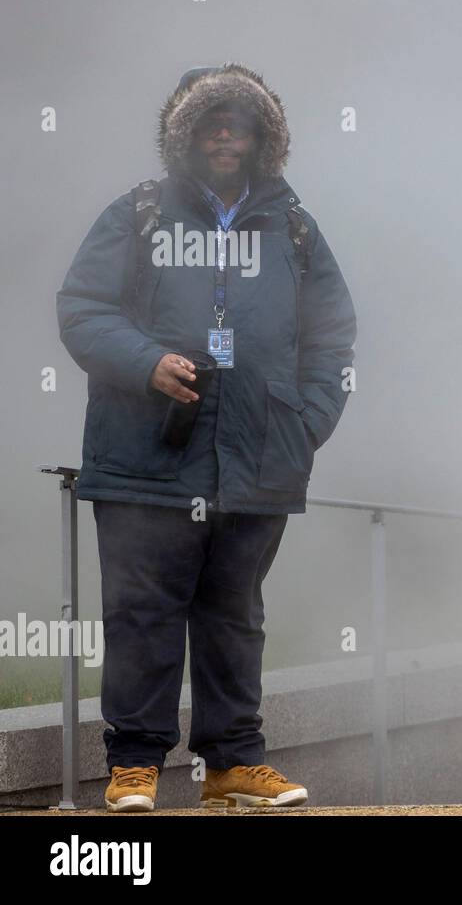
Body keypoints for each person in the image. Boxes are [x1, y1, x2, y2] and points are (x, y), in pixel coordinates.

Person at [55, 63, 357, 811]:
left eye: (241, 122)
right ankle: (134, 766)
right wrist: (148, 362)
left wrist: (304, 423)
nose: (227, 134)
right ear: (185, 135)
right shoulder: (139, 214)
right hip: (145, 456)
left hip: (257, 459)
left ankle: (233, 765)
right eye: (211, 121)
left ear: (264, 138)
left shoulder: (294, 227)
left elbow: (333, 339)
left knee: (235, 616)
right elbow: (82, 310)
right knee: (141, 612)